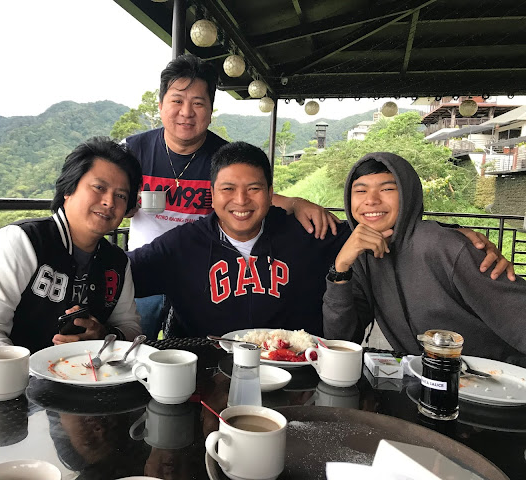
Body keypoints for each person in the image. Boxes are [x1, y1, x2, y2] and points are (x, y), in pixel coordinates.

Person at [127, 142, 510, 339]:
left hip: (297, 374)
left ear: (271, 191)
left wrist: (450, 232)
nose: (241, 201)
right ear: (212, 193)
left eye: (254, 189)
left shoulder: (309, 231)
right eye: (228, 189)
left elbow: (378, 227)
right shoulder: (181, 245)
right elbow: (121, 273)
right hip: (210, 373)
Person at [124, 54, 339, 339]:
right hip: (149, 262)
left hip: (200, 270)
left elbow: (248, 196)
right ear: (161, 104)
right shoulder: (132, 151)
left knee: (194, 338)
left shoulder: (223, 157)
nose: (186, 112)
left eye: (198, 103)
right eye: (177, 101)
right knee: (135, 346)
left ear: (210, 110)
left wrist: (296, 204)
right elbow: (108, 198)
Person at [0, 138, 142, 386]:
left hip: (69, 389)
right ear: (68, 190)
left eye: (121, 195)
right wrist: (40, 377)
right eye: (99, 188)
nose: (109, 202)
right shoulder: (21, 242)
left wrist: (103, 336)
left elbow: (129, 327)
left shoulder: (116, 263)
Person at [323, 152, 526, 366]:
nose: (371, 200)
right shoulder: (361, 256)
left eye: (387, 189)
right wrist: (341, 268)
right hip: (432, 382)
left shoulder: (445, 246)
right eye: (361, 190)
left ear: (408, 195)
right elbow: (341, 340)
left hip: (503, 382)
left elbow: (517, 313)